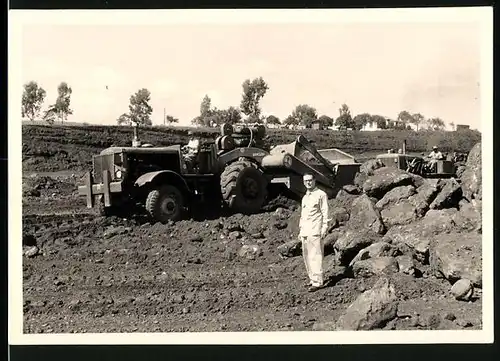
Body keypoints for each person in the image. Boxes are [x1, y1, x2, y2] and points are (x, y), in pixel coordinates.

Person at [298, 173, 329, 292]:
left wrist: (324, 228)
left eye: (310, 180)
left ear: (314, 181)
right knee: (306, 256)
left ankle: (318, 281)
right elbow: (303, 215)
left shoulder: (321, 195)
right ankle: (312, 279)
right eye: (306, 181)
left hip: (315, 230)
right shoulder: (305, 197)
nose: (308, 183)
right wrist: (301, 230)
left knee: (315, 255)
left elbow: (325, 212)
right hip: (305, 231)